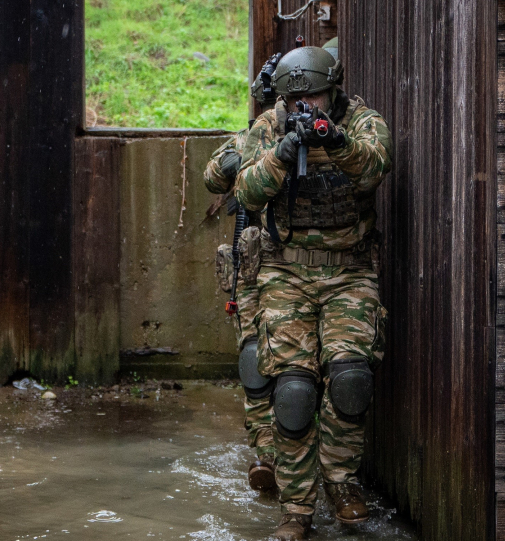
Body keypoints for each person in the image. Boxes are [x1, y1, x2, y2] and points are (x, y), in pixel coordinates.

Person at [236, 45, 392, 540]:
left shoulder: (364, 121)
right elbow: (244, 191)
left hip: (349, 271)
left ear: (334, 89)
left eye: (317, 98)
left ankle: (341, 482)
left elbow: (374, 167)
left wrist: (336, 142)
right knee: (294, 393)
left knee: (350, 381)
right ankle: (296, 510)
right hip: (287, 273)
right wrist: (279, 158)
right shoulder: (270, 125)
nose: (307, 108)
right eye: (297, 100)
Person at [204, 52, 282, 493]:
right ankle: (267, 455)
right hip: (253, 269)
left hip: (298, 268)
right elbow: (212, 173)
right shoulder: (247, 138)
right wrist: (241, 160)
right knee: (255, 362)